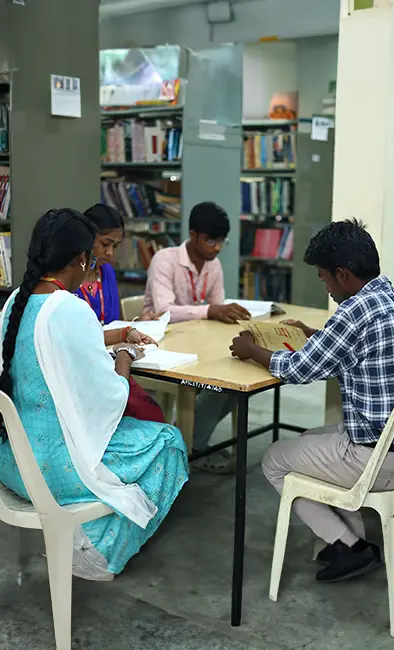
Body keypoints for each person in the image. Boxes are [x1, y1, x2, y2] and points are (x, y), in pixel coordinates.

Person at [230, 219, 394, 583]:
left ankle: (349, 547)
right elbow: (356, 347)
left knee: (274, 460)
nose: (327, 288)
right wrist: (315, 334)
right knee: (308, 439)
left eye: (324, 279)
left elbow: (298, 370)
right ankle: (353, 542)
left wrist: (251, 349)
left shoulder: (354, 311)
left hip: (375, 459)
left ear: (342, 275)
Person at [0, 208, 189, 580]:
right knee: (168, 443)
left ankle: (86, 532)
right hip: (54, 472)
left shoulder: (13, 304)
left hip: (12, 462)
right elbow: (110, 399)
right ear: (80, 259)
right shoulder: (70, 309)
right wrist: (125, 355)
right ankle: (97, 552)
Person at [144, 201, 251, 472]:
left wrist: (226, 314)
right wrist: (211, 311)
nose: (216, 248)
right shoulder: (165, 260)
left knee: (235, 382)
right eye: (210, 241)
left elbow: (217, 307)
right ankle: (190, 449)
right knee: (219, 387)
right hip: (160, 346)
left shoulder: (213, 266)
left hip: (195, 343)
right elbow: (164, 311)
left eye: (221, 242)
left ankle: (192, 442)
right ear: (193, 235)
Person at [78, 203, 165, 423]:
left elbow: (109, 322)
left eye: (115, 246)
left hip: (114, 361)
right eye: (105, 244)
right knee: (146, 414)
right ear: (86, 237)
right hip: (88, 369)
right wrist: (124, 333)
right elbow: (82, 336)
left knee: (152, 412)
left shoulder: (106, 272)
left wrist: (138, 323)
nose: (110, 253)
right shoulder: (70, 282)